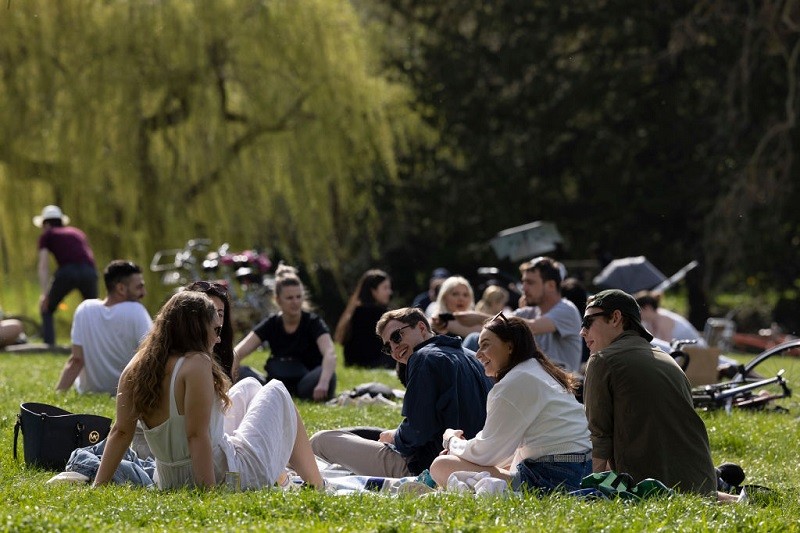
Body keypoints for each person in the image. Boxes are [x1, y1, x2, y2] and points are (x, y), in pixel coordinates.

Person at [92, 291, 323, 490]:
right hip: (221, 476)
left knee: (250, 386)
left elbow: (120, 433)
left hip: (167, 480)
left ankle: (291, 476)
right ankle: (318, 485)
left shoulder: (137, 366)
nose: (219, 338)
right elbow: (196, 436)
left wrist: (98, 487)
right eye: (215, 329)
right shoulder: (196, 363)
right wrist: (208, 494)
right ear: (196, 329)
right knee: (277, 390)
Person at [310, 307, 493, 478]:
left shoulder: (423, 357)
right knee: (365, 433)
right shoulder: (470, 355)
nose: (395, 349)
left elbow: (417, 431)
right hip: (478, 461)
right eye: (388, 347)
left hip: (427, 467)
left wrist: (395, 437)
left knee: (320, 441)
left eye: (397, 337)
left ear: (422, 327)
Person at [581, 289, 721, 497]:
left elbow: (599, 437)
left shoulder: (602, 360)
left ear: (616, 318)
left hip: (652, 487)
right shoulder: (666, 358)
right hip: (703, 483)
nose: (582, 332)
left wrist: (589, 491)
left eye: (588, 322)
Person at [430, 314, 591, 493]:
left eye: (486, 345)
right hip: (581, 468)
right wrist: (463, 450)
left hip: (554, 477)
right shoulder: (536, 369)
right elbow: (498, 444)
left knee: (441, 466)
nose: (478, 354)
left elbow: (487, 453)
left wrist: (451, 441)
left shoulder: (515, 381)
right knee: (461, 463)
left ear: (510, 346)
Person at [459, 257, 583, 373]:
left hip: (557, 386)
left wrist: (478, 317)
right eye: (523, 282)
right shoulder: (529, 311)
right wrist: (446, 320)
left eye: (530, 282)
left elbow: (530, 326)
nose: (524, 288)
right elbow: (487, 330)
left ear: (551, 285)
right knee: (475, 338)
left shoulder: (567, 309)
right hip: (531, 378)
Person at [233, 264, 337, 402]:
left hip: (305, 383)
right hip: (274, 385)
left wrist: (323, 382)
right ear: (278, 300)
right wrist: (231, 369)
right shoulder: (272, 323)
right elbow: (238, 352)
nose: (295, 302)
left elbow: (330, 353)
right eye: (289, 298)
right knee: (241, 372)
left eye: (298, 297)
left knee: (328, 375)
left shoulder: (313, 322)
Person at [55, 260, 152, 394]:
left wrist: (59, 393)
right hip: (126, 391)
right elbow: (152, 356)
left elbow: (76, 360)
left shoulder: (84, 309)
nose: (144, 292)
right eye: (139, 287)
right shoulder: (136, 310)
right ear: (121, 288)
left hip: (88, 392)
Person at [34, 205, 98, 345]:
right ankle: (95, 344)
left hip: (67, 271)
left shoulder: (47, 235)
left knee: (47, 308)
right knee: (94, 310)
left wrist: (44, 295)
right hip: (89, 271)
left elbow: (43, 266)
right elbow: (89, 255)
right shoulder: (77, 233)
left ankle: (49, 345)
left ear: (46, 223)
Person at [334, 269, 394, 368]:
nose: (389, 292)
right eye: (385, 288)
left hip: (353, 363)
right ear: (373, 291)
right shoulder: (377, 313)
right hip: (372, 362)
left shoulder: (354, 312)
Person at [184, 281, 236, 380]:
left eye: (220, 314)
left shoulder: (221, 351)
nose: (216, 320)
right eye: (210, 312)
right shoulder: (196, 360)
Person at [634, 291, 707, 347]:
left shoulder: (663, 319)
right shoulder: (648, 323)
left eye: (638, 311)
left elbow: (667, 347)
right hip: (684, 354)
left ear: (647, 308)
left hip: (699, 354)